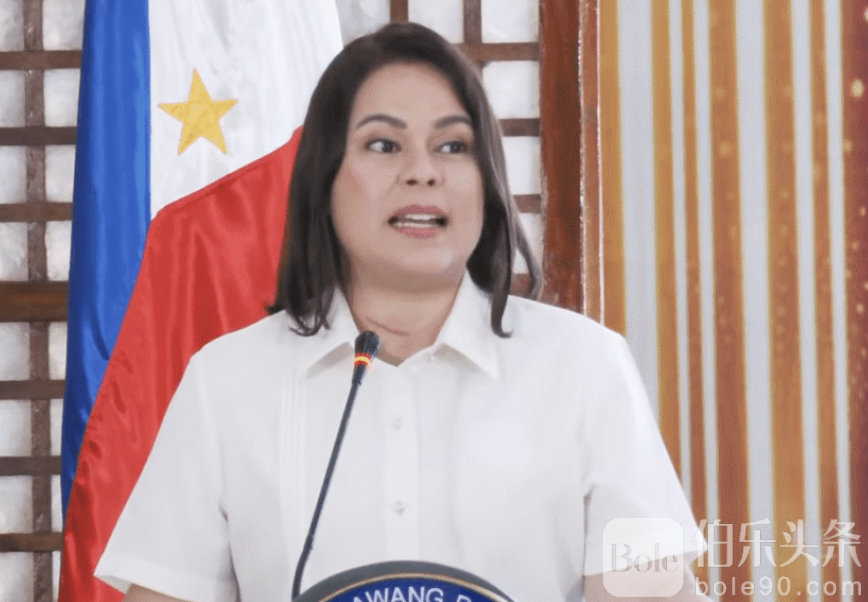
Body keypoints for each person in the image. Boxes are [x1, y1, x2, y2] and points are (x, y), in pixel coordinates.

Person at [96, 22, 709, 602]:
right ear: (324, 177)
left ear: (487, 180)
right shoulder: (227, 381)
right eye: (384, 145)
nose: (422, 172)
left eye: (453, 146)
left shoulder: (586, 367)